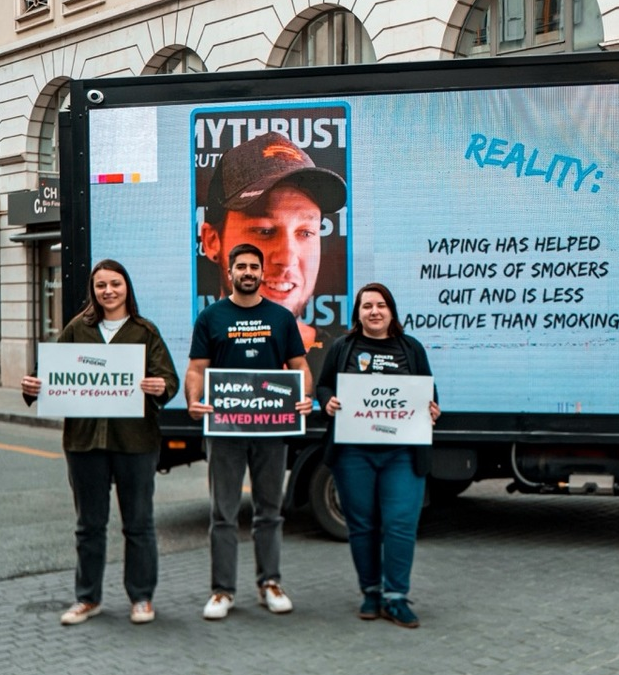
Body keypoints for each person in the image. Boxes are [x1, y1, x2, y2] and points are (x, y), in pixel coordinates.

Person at [20, 259, 179, 626]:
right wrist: (32, 387)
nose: (108, 291)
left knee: (138, 523)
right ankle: (87, 598)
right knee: (88, 525)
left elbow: (167, 379)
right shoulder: (78, 328)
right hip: (83, 441)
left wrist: (161, 388)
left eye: (115, 284)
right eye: (101, 285)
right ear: (93, 291)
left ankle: (141, 598)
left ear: (127, 288)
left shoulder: (144, 331)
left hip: (136, 442)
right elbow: (48, 375)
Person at [185, 242, 314, 620]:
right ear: (230, 271)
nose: (247, 272)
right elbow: (196, 369)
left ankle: (269, 583)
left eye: (253, 267)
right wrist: (194, 401)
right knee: (223, 514)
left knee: (269, 512)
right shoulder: (211, 317)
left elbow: (300, 367)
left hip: (271, 430)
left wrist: (304, 395)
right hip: (224, 431)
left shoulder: (280, 317)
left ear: (260, 273)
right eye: (240, 266)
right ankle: (222, 591)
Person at [316, 282, 440, 629]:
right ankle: (371, 592)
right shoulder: (343, 347)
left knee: (401, 524)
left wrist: (431, 409)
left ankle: (396, 597)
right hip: (354, 453)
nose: (374, 311)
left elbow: (429, 392)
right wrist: (327, 402)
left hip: (402, 453)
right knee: (362, 525)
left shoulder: (410, 348)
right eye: (367, 305)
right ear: (358, 313)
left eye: (381, 305)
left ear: (391, 311)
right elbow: (323, 386)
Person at [198, 130, 347, 374]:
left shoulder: (345, 359)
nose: (287, 258)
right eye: (264, 231)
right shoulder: (186, 350)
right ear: (212, 241)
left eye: (306, 232)